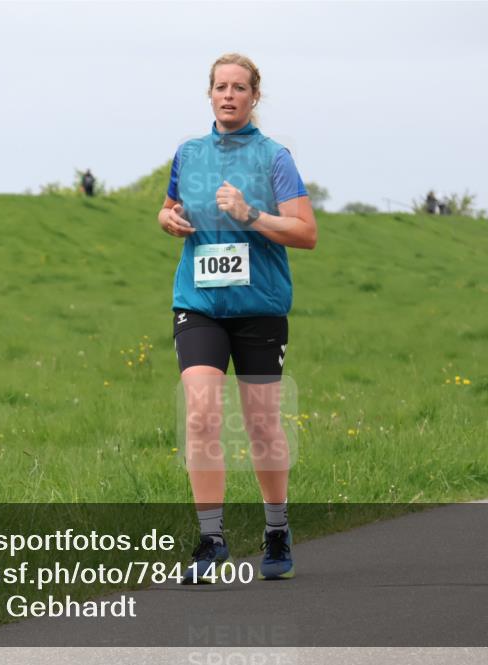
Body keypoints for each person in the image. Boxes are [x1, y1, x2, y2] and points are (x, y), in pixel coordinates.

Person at [156, 53, 317, 583]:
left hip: (259, 308)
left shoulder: (275, 158)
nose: (229, 95)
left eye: (240, 88)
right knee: (201, 414)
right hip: (199, 303)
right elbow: (169, 206)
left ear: (254, 97)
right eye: (221, 87)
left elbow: (305, 233)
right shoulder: (189, 152)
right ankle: (210, 540)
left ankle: (276, 529)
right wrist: (169, 220)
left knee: (261, 424)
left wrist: (252, 214)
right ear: (209, 94)